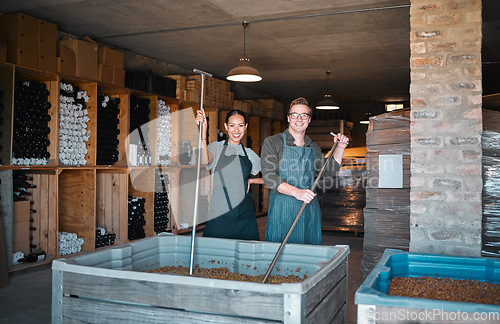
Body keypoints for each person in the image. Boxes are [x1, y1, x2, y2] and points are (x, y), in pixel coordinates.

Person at [261, 97, 349, 245]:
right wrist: (297, 192)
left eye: (304, 115)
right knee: (281, 257)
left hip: (308, 210)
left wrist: (340, 148)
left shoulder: (312, 147)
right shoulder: (273, 142)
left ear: (309, 120)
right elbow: (269, 176)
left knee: (307, 254)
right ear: (289, 118)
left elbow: (327, 172)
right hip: (282, 210)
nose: (299, 119)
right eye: (294, 115)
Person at [195, 108, 263, 240]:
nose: (236, 130)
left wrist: (252, 181)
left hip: (244, 216)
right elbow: (204, 160)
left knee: (245, 256)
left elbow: (271, 177)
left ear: (246, 127)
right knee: (215, 255)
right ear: (226, 127)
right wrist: (203, 131)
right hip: (219, 215)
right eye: (232, 125)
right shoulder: (216, 147)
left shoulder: (249, 153)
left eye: (240, 125)